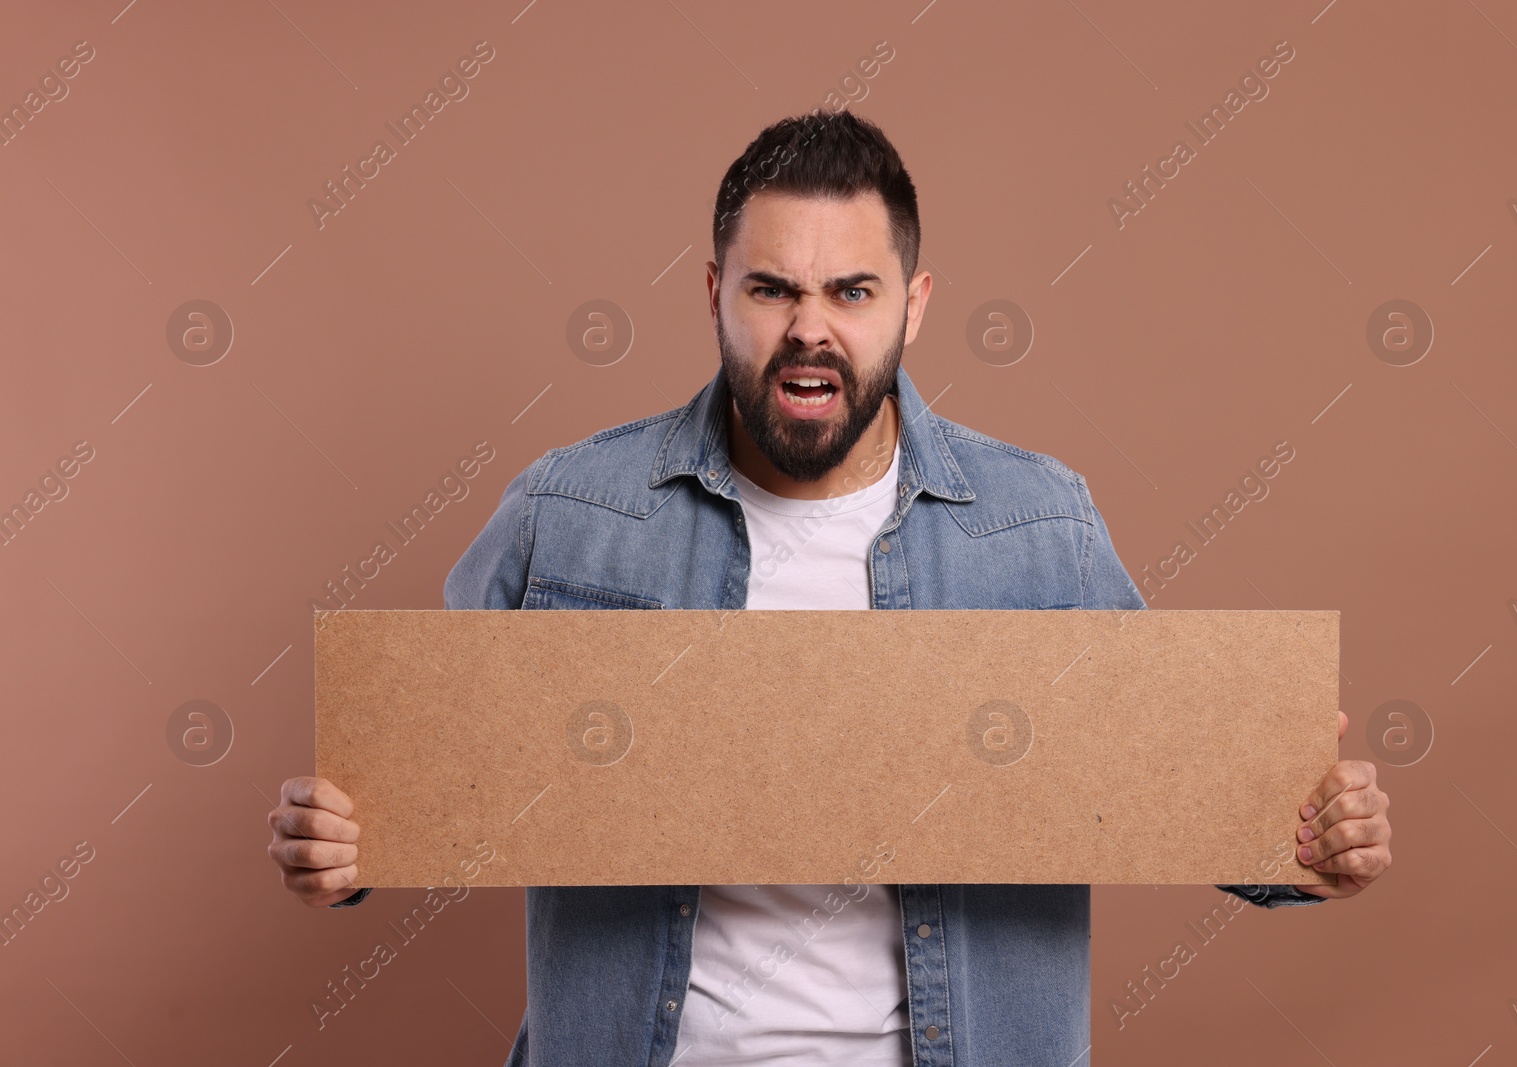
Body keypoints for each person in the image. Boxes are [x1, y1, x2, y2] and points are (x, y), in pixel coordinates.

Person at [268, 110, 1393, 1066]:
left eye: (851, 289)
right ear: (714, 292)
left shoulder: (1038, 525)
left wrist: (1311, 843)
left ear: (912, 304)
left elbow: (1172, 784)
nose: (810, 325)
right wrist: (341, 845)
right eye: (772, 287)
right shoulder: (573, 508)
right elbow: (418, 768)